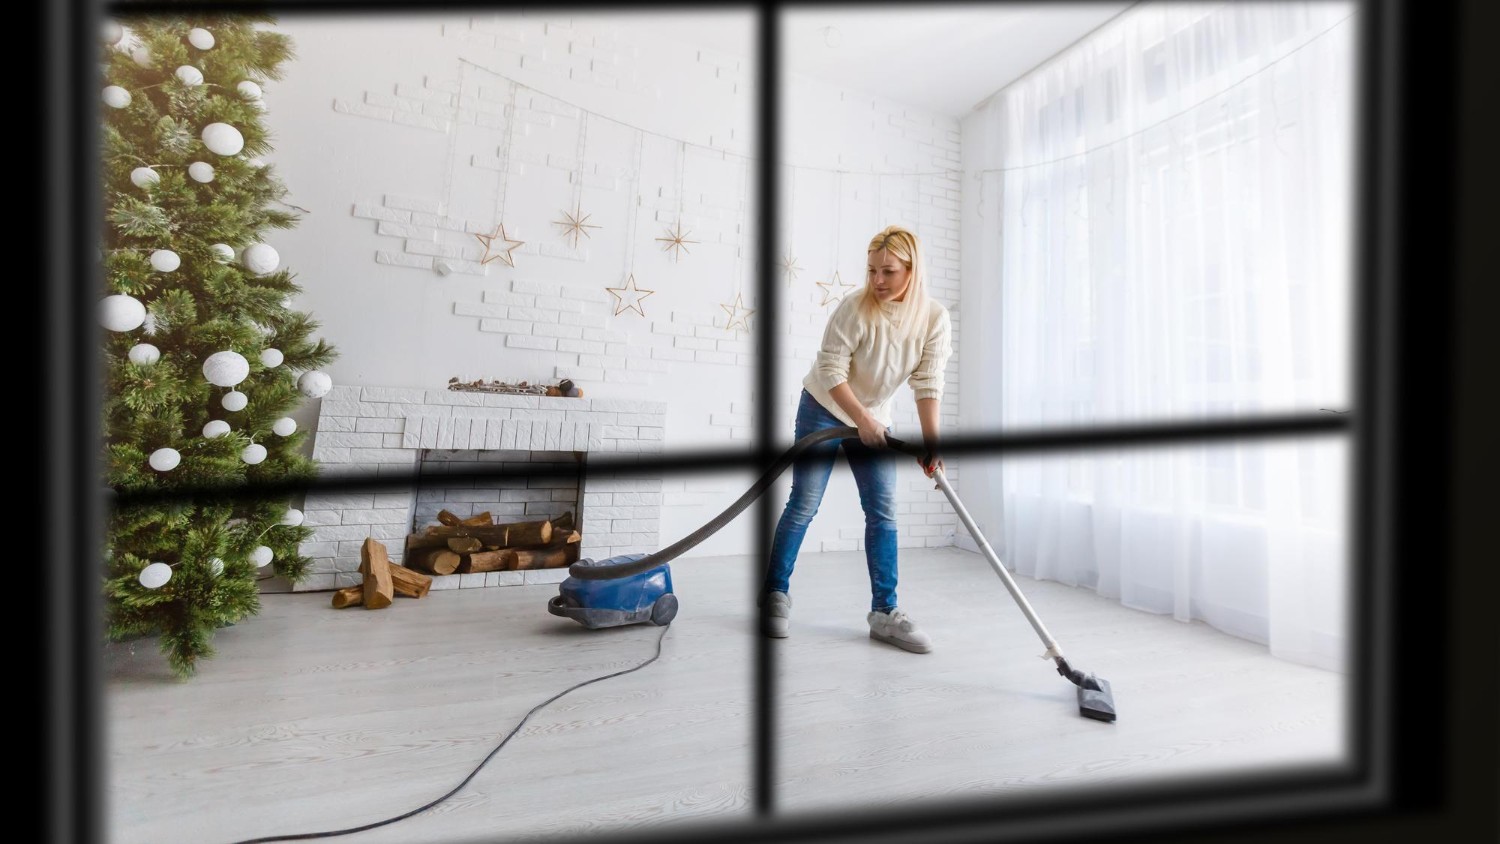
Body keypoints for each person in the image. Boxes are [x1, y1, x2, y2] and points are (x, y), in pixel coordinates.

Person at [761, 225, 953, 653]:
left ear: (911, 270)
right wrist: (861, 419)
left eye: (888, 271)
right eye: (871, 271)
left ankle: (885, 613)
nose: (877, 281)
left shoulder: (934, 319)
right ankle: (775, 595)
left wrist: (931, 442)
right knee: (804, 504)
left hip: (874, 417)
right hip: (823, 409)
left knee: (882, 512)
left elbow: (927, 383)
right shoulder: (855, 308)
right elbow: (831, 371)